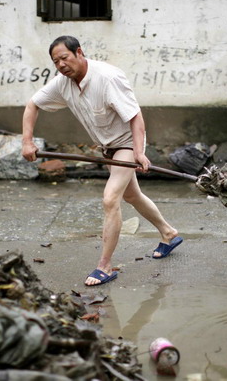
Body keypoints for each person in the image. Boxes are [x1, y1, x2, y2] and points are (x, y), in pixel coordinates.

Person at [22, 35, 183, 286]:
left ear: (79, 52)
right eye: (56, 62)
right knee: (131, 196)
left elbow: (135, 117)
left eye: (64, 58)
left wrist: (139, 153)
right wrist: (27, 141)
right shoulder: (62, 83)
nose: (61, 65)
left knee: (111, 199)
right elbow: (33, 104)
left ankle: (104, 266)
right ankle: (168, 233)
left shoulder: (107, 78)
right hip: (108, 148)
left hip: (127, 144)